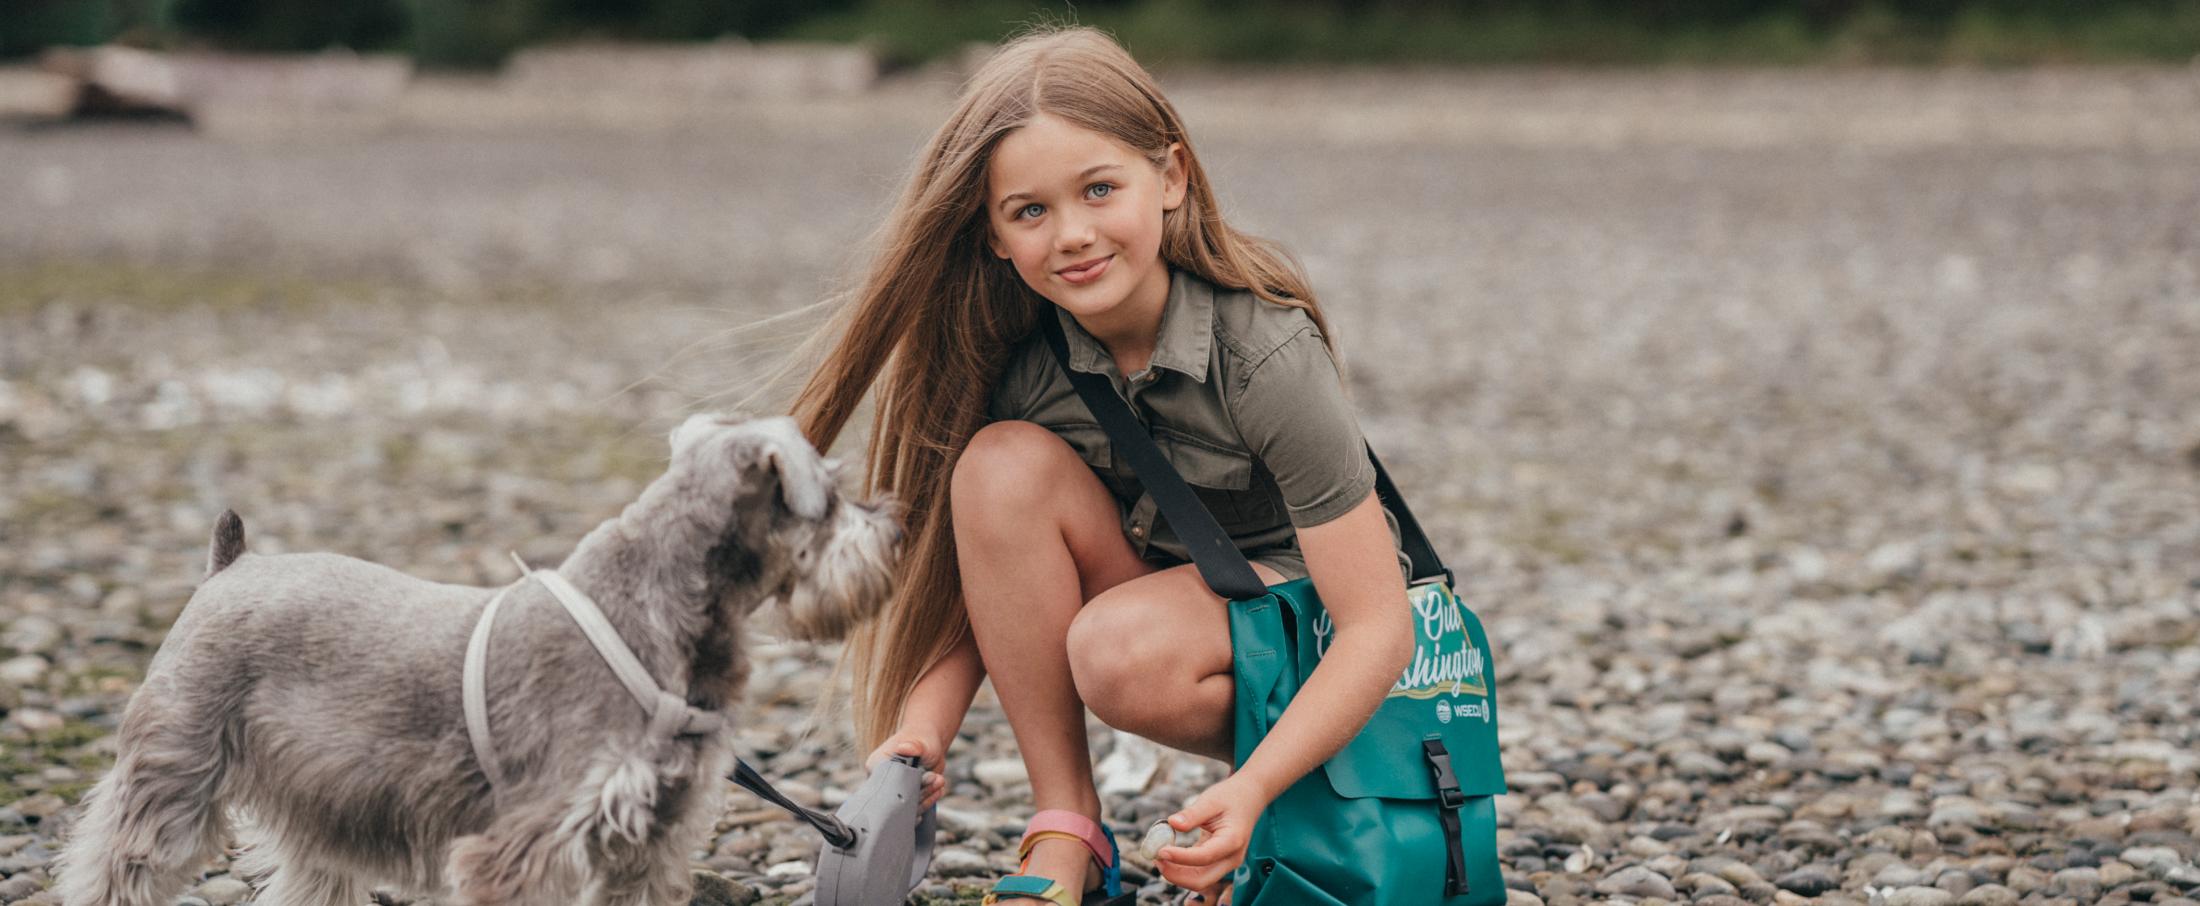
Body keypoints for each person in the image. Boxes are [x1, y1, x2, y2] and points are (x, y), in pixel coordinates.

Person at [788, 24, 1415, 905]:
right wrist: (920, 732)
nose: (1073, 235)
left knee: (1116, 650)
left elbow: (1380, 626)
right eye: (1031, 211)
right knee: (997, 467)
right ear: (995, 236)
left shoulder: (1266, 353)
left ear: (1170, 177)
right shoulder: (1027, 368)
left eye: (1098, 189)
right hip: (1181, 606)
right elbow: (993, 585)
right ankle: (1068, 826)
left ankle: (1291, 799)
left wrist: (1252, 790)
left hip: (1321, 645)